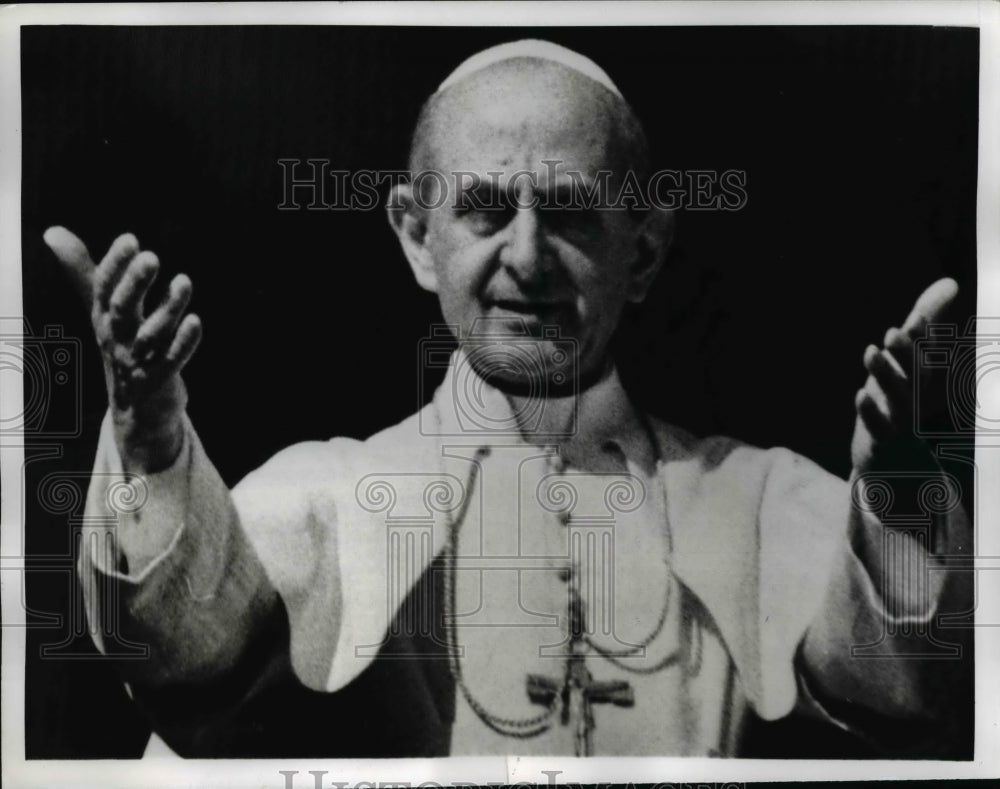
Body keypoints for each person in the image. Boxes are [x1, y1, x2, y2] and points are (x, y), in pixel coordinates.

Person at [44, 40, 970, 758]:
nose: (526, 259)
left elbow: (891, 702)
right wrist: (150, 442)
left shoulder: (760, 499)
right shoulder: (325, 492)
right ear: (416, 236)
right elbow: (181, 666)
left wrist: (896, 506)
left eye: (569, 212)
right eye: (485, 209)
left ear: (641, 251)